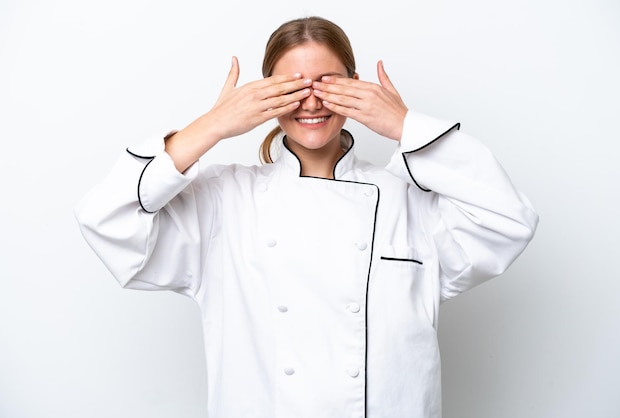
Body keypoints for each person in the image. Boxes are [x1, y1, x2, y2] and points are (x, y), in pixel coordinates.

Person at [75, 16, 538, 418]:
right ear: (263, 96)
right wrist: (213, 125)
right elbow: (106, 219)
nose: (311, 102)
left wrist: (404, 126)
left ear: (357, 86)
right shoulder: (222, 201)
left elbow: (509, 220)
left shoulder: (408, 199)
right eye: (291, 86)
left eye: (329, 84)